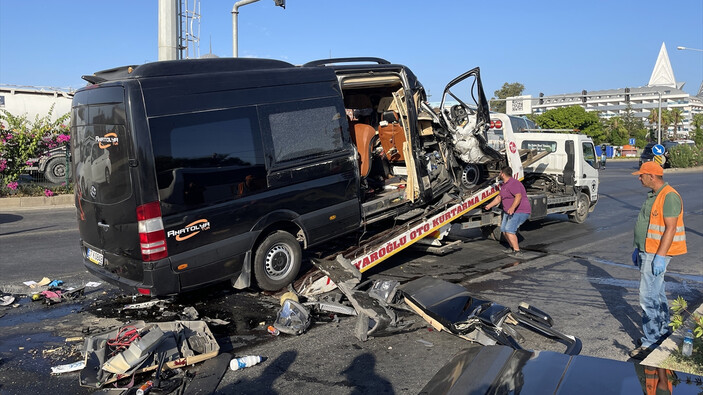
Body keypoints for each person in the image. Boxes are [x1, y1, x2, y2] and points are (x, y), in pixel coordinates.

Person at [629, 161, 687, 360]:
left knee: (648, 297)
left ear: (651, 176)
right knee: (658, 293)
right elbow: (647, 224)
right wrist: (638, 247)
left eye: (641, 175)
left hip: (656, 253)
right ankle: (662, 331)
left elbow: (670, 228)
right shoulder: (654, 195)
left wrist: (660, 256)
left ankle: (651, 341)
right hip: (647, 251)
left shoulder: (669, 196)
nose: (639, 178)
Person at [484, 166, 531, 257]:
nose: (499, 174)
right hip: (508, 211)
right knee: (504, 231)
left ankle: (517, 251)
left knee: (509, 231)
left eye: (500, 172)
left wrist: (512, 208)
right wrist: (489, 205)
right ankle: (512, 248)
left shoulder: (514, 183)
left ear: (502, 173)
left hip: (519, 211)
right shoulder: (504, 184)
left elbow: (518, 196)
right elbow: (499, 198)